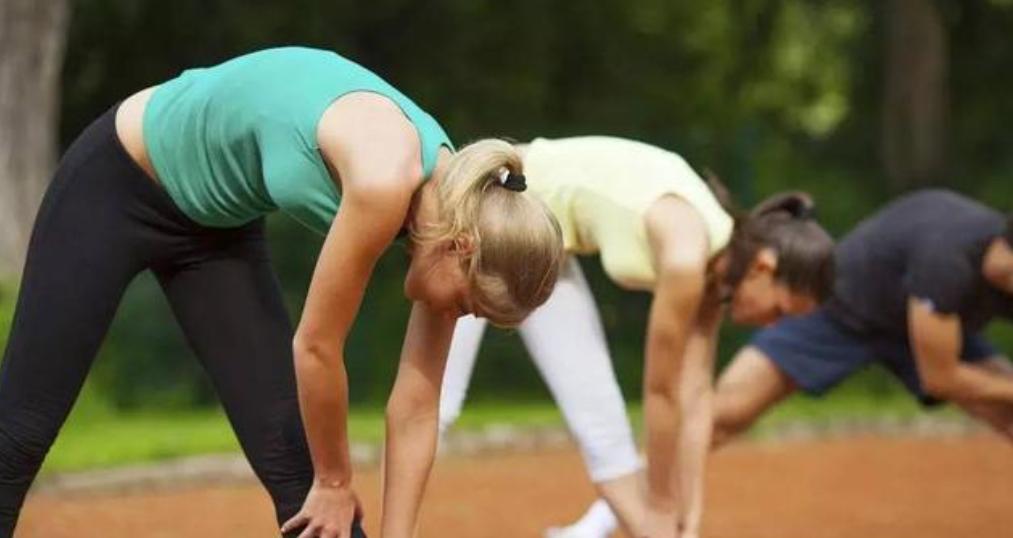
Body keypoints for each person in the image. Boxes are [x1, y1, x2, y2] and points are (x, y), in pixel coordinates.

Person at [0, 47, 564, 538]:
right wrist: (336, 481)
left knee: (300, 476)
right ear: (463, 248)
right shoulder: (385, 181)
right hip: (119, 181)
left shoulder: (459, 207)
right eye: (467, 305)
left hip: (215, 233)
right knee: (20, 433)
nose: (457, 316)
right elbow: (316, 347)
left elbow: (416, 409)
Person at [436, 136, 835, 538]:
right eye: (780, 310)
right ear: (763, 268)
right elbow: (662, 393)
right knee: (438, 407)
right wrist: (661, 505)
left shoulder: (714, 276)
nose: (773, 325)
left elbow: (696, 399)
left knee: (608, 443)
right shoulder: (687, 257)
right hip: (496, 210)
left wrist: (688, 515)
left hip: (547, 247)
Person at [712, 190, 1013, 447]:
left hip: (924, 323)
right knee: (726, 413)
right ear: (1004, 244)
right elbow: (940, 379)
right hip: (840, 307)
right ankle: (680, 489)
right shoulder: (948, 259)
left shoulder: (999, 271)